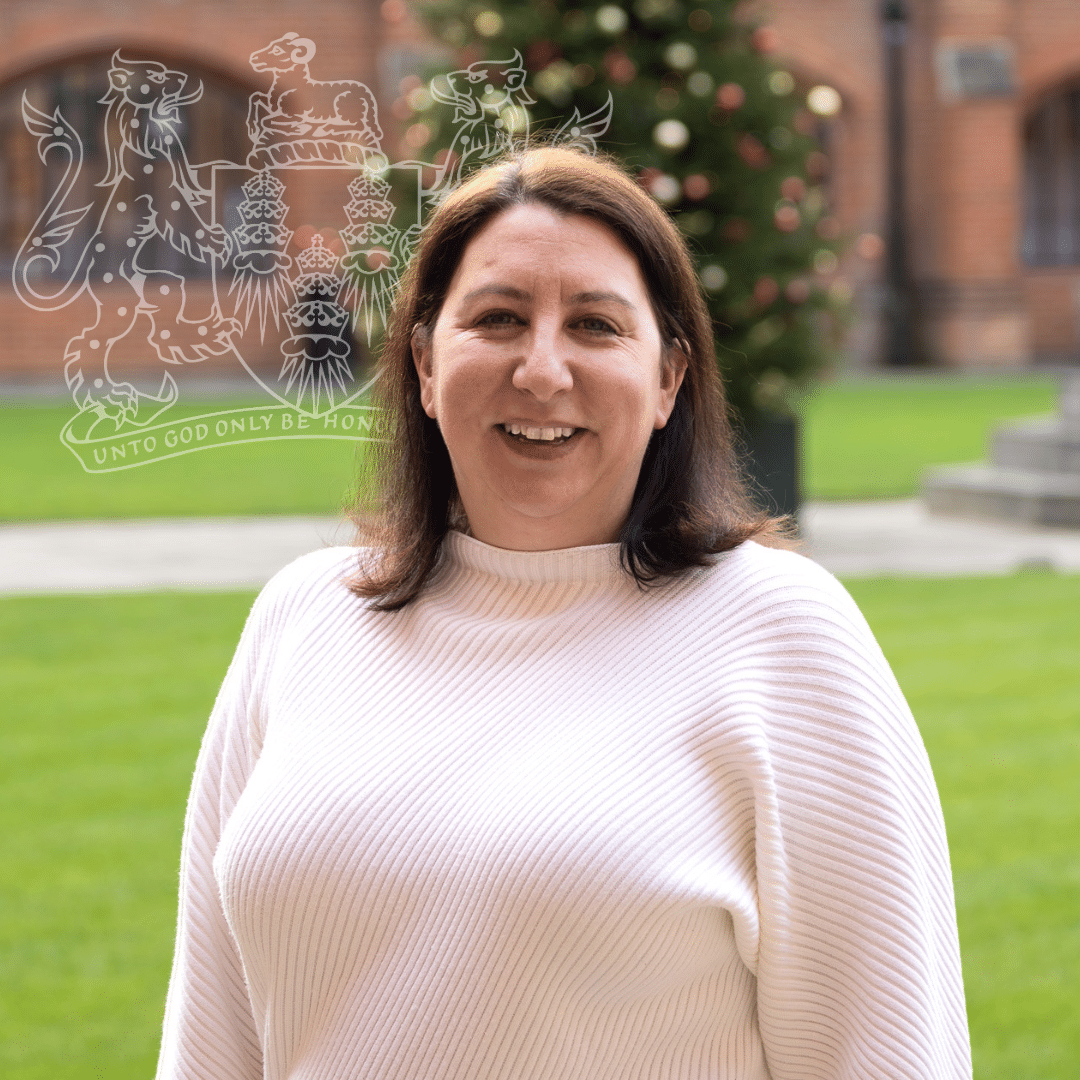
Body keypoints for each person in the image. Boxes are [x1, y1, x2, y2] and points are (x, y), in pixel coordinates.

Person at [156, 147, 972, 1080]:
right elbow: (208, 1043)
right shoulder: (303, 619)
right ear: (425, 364)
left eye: (595, 325)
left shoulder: (780, 636)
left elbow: (888, 1053)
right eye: (498, 318)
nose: (542, 370)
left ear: (668, 379)